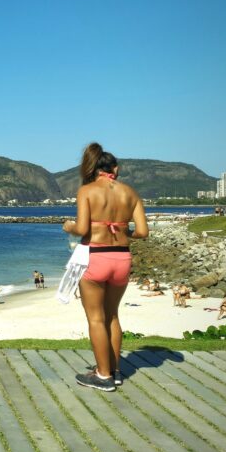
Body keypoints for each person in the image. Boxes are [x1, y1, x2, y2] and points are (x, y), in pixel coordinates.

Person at [63, 143, 148, 392]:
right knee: (112, 316)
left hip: (95, 257)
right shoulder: (130, 193)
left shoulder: (87, 191)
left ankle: (103, 376)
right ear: (115, 169)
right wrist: (125, 232)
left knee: (96, 318)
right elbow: (142, 232)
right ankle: (115, 370)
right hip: (121, 258)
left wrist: (68, 226)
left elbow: (81, 228)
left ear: (94, 169)